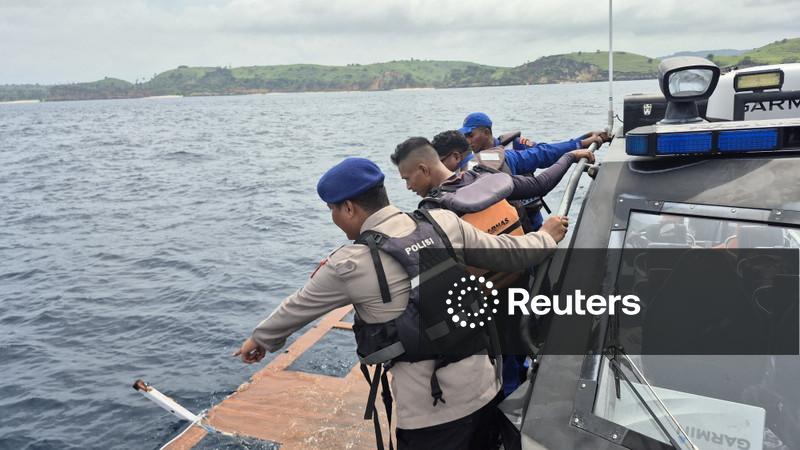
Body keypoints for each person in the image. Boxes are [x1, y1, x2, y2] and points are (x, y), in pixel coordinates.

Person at [235, 157, 569, 450]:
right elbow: (511, 253)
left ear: (348, 208)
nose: (335, 219)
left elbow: (298, 307)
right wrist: (547, 235)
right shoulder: (443, 221)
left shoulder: (348, 263)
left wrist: (261, 340)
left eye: (333, 211)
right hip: (486, 388)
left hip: (431, 416)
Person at [391, 136, 593, 396]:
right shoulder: (484, 177)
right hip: (528, 284)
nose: (408, 186)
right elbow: (539, 184)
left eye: (408, 178)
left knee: (504, 369)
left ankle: (507, 420)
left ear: (423, 169)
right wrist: (570, 157)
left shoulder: (434, 213)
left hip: (491, 307)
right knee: (530, 347)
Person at [433, 129, 601, 231]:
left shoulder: (452, 189)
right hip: (528, 233)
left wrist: (576, 146)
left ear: (455, 157)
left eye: (439, 161)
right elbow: (542, 154)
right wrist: (576, 147)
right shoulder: (502, 156)